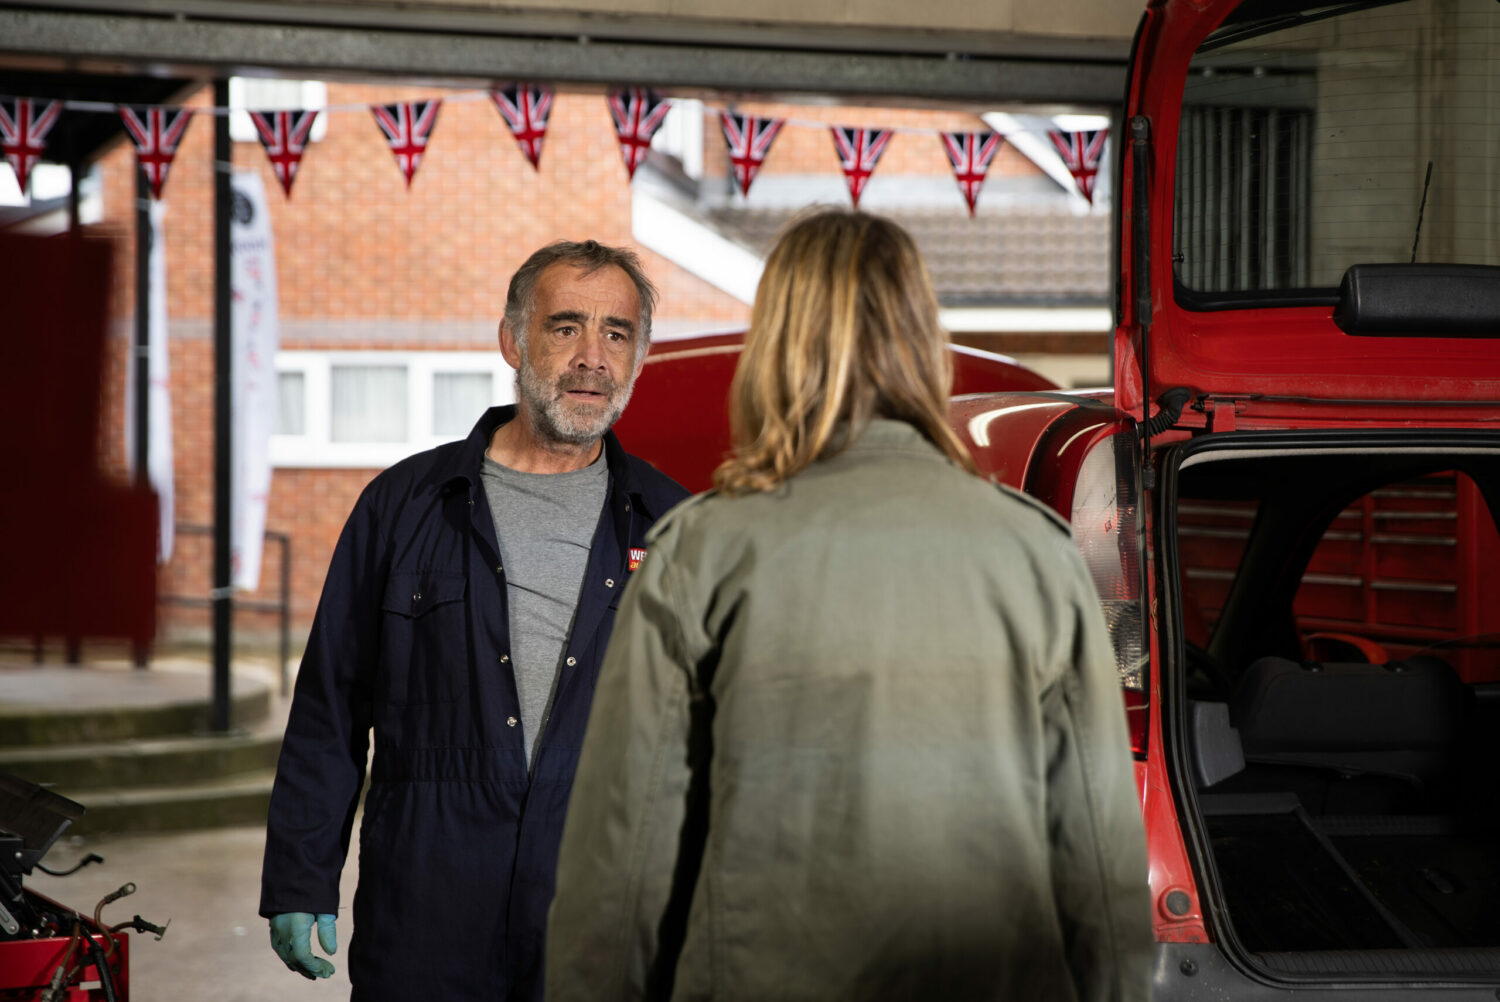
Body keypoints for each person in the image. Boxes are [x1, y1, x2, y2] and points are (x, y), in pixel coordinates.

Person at [545, 211, 1153, 1002]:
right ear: (921, 343)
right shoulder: (1038, 554)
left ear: (775, 347)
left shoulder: (701, 553)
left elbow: (621, 867)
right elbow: (1100, 862)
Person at [259, 240, 690, 1002]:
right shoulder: (404, 507)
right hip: (428, 909)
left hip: (600, 915)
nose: (592, 358)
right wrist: (301, 872)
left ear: (639, 356)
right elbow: (331, 706)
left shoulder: (674, 526)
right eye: (565, 327)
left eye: (616, 334)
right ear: (512, 342)